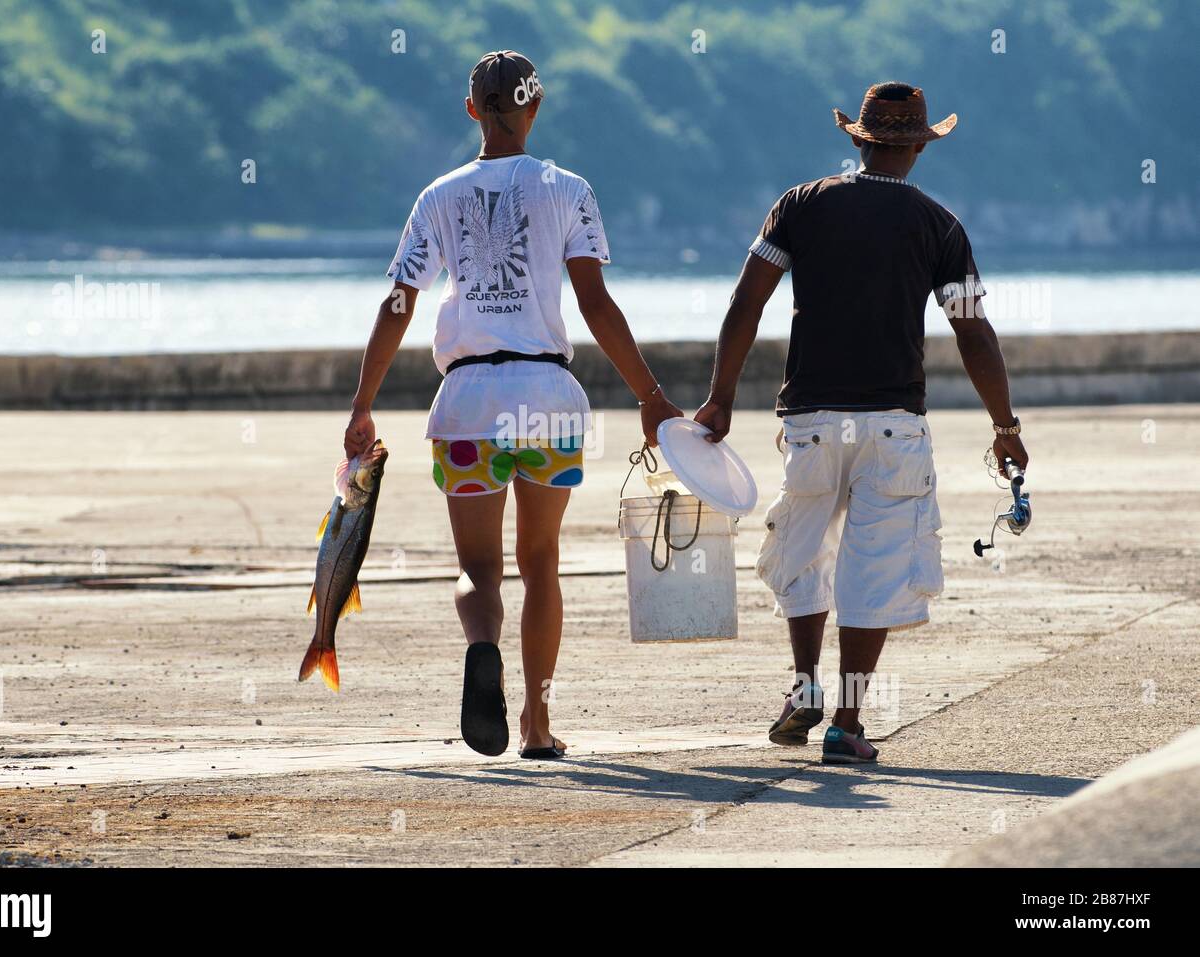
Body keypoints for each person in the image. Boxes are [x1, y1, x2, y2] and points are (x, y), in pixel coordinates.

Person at [343, 50, 682, 760]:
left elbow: (398, 302)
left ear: (472, 110)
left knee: (479, 570)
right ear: (535, 107)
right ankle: (536, 722)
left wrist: (362, 403)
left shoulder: (436, 197)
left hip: (465, 401)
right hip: (547, 399)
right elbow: (594, 303)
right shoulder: (569, 189)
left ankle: (481, 647)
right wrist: (650, 394)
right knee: (541, 565)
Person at [694, 82, 1028, 765]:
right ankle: (846, 721)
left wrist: (720, 398)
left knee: (804, 552)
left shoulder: (801, 205)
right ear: (917, 148)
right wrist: (1005, 424)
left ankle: (802, 686)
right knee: (873, 570)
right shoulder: (938, 225)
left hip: (812, 420)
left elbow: (745, 304)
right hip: (893, 426)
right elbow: (974, 333)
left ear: (858, 141)